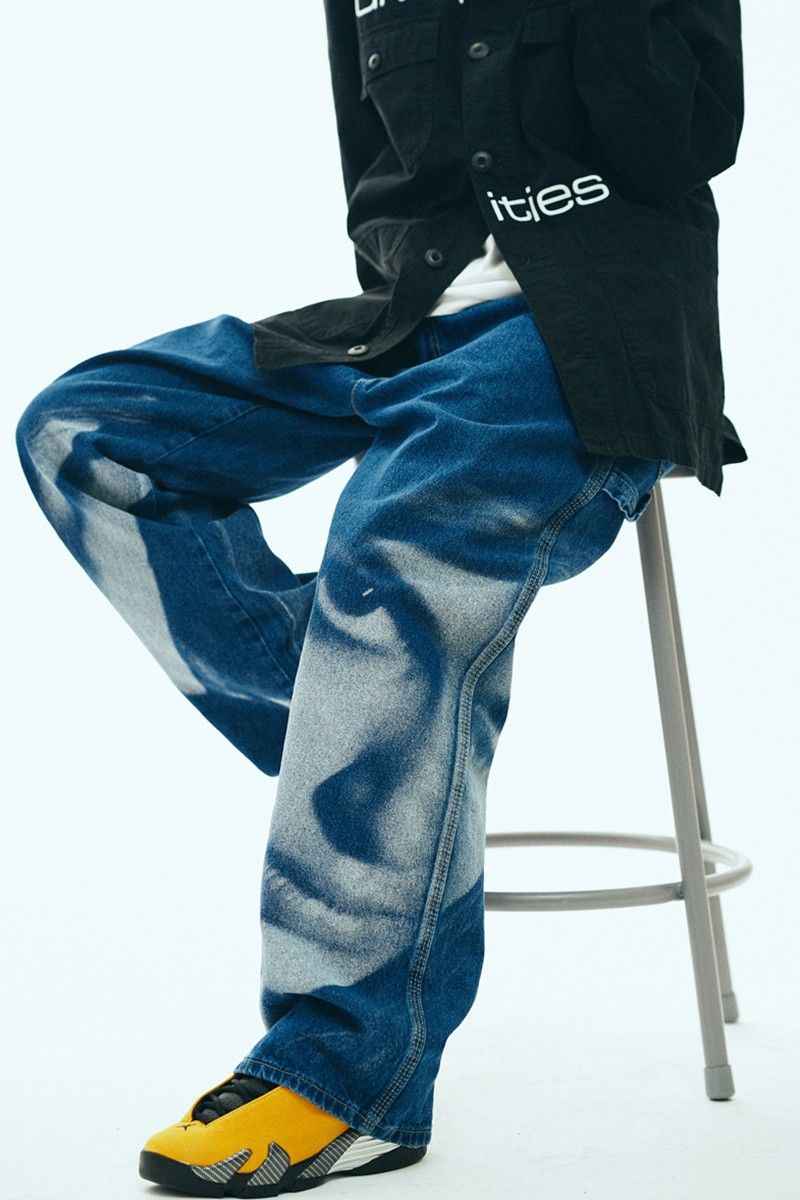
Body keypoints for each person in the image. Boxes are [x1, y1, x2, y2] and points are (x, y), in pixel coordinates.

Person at [14, 0, 747, 1195]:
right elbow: (380, 178)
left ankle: (344, 1080)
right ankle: (369, 722)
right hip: (406, 326)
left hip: (581, 338)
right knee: (84, 432)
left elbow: (686, 138)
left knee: (386, 562)